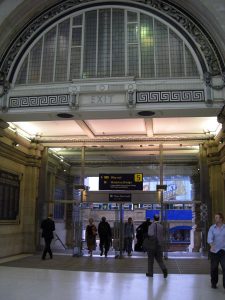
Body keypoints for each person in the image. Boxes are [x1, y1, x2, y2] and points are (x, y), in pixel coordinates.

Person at [207, 212, 225, 289]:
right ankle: (214, 283)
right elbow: (209, 238)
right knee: (214, 268)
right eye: (215, 217)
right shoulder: (212, 228)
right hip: (214, 251)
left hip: (223, 251)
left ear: (221, 218)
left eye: (217, 217)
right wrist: (212, 245)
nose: (215, 219)